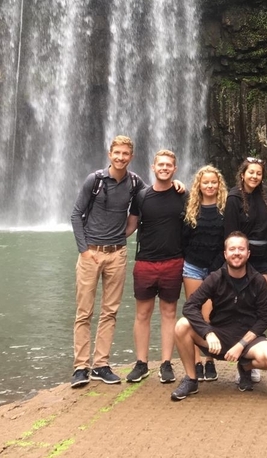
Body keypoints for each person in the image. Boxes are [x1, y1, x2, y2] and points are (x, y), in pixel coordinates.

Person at [169, 232, 267, 401]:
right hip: (218, 338)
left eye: (241, 249)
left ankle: (245, 367)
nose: (237, 253)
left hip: (247, 341)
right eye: (232, 249)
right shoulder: (215, 278)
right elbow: (190, 306)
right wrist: (208, 332)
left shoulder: (258, 281)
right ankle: (191, 379)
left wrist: (241, 344)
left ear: (248, 254)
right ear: (225, 254)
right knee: (182, 325)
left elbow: (265, 317)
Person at [69, 135, 144, 387]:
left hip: (117, 253)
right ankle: (81, 367)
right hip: (90, 252)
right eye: (117, 153)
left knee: (110, 312)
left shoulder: (135, 182)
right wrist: (84, 250)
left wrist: (124, 236)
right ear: (109, 154)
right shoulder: (95, 180)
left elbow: (151, 198)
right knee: (84, 312)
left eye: (125, 154)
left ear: (131, 156)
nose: (121, 157)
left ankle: (101, 364)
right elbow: (76, 215)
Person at [126, 149, 186, 385]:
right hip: (145, 261)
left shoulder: (183, 195)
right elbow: (129, 227)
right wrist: (102, 239)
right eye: (160, 164)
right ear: (153, 167)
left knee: (169, 313)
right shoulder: (141, 197)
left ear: (175, 169)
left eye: (168, 165)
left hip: (173, 261)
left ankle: (166, 363)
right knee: (142, 313)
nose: (164, 168)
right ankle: (141, 363)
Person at [181, 165, 228, 383]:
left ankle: (211, 359)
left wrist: (218, 267)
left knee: (210, 315)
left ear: (219, 185)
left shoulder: (225, 208)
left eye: (213, 182)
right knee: (194, 313)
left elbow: (227, 239)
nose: (209, 185)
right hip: (193, 266)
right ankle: (197, 361)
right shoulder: (191, 208)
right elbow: (183, 238)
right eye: (205, 182)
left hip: (216, 268)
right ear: (199, 185)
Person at [225, 157, 267, 279]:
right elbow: (230, 232)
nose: (255, 176)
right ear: (242, 174)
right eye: (251, 172)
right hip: (242, 257)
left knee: (260, 296)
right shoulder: (234, 198)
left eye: (259, 174)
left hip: (265, 257)